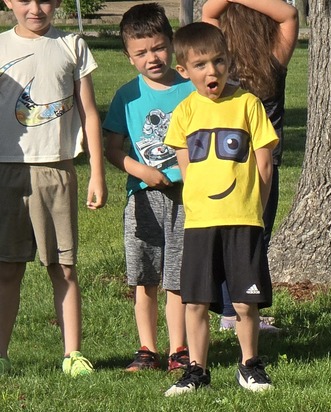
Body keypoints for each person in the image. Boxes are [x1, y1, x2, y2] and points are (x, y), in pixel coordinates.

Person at [162, 22, 278, 395]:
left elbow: (264, 163)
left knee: (246, 302)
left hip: (243, 220)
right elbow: (186, 169)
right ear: (184, 70)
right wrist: (198, 206)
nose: (211, 71)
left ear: (229, 61)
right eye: (200, 65)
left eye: (218, 61)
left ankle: (249, 366)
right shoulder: (184, 113)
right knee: (195, 301)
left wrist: (256, 209)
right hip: (200, 223)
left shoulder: (248, 104)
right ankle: (197, 371)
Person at [0, 0, 105, 377]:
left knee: (63, 267)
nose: (35, 8)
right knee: (7, 268)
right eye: (24, 0)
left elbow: (90, 112)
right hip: (6, 172)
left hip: (57, 171)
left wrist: (97, 172)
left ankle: (72, 355)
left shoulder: (72, 45)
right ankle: (1, 355)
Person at [103, 2, 193, 374]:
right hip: (142, 195)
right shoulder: (128, 96)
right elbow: (112, 148)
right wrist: (141, 170)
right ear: (129, 57)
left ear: (170, 44)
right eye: (141, 53)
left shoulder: (191, 88)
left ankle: (179, 350)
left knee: (177, 276)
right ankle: (146, 349)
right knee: (145, 275)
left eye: (157, 47)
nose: (151, 57)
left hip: (186, 195)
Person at [202, 0, 298, 334]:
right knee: (254, 237)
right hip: (263, 163)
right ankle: (237, 312)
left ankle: (232, 310)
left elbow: (209, 12)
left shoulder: (221, 61)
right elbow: (288, 14)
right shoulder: (274, 57)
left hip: (223, 160)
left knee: (226, 234)